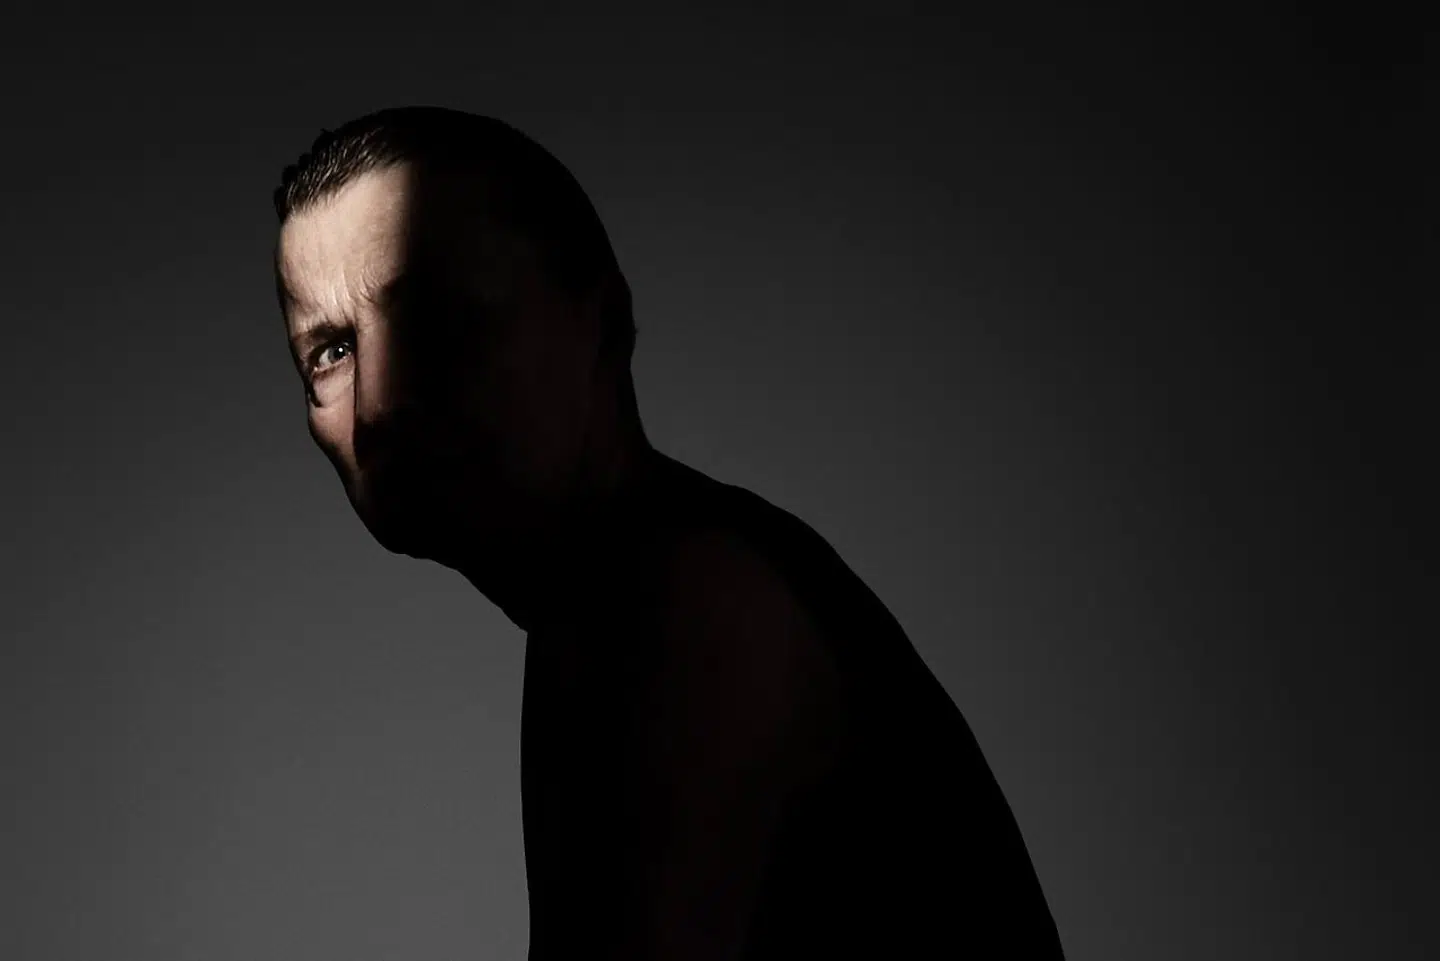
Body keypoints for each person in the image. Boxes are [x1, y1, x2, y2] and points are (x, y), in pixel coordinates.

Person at [272, 105, 1066, 960]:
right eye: (331, 352)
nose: (379, 404)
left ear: (601, 319)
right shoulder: (601, 604)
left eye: (431, 314)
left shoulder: (687, 602)